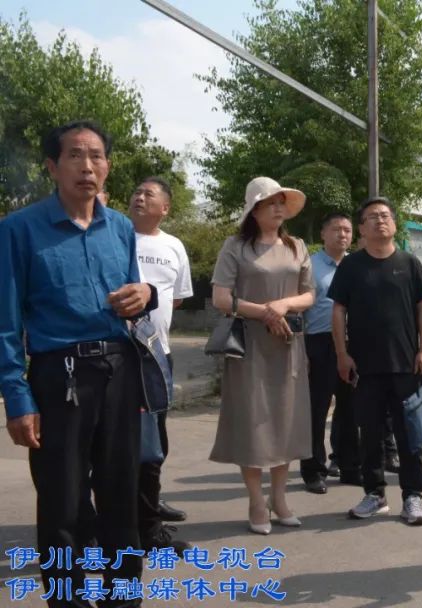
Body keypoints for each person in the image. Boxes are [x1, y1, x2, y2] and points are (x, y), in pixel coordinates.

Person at [1, 120, 158, 607]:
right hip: (57, 376)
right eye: (74, 155)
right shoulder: (18, 230)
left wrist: (145, 294)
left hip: (118, 371)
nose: (87, 166)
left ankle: (122, 598)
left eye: (96, 156)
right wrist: (17, 398)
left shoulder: (122, 228)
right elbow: (5, 324)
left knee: (120, 495)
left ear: (108, 167)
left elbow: (133, 295)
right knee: (63, 503)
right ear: (52, 166)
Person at [209, 176, 314, 535]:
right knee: (253, 426)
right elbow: (222, 299)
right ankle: (256, 500)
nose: (279, 208)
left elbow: (309, 295)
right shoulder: (235, 246)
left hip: (287, 344)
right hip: (249, 345)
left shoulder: (297, 246)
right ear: (253, 209)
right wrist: (266, 312)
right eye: (271, 202)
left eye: (282, 202)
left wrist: (283, 305)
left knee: (286, 421)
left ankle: (280, 498)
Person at [330, 197, 422, 525]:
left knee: (409, 435)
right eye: (371, 217)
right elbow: (338, 310)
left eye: (385, 216)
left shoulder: (409, 263)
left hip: (406, 364)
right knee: (370, 434)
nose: (379, 221)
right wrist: (342, 354)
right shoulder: (351, 266)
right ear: (362, 228)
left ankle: (413, 497)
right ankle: (374, 494)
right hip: (364, 366)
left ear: (394, 224)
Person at [129, 177, 193, 551]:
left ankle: (148, 510)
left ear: (165, 207)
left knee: (155, 440)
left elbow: (177, 298)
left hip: (158, 355)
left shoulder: (174, 246)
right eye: (137, 192)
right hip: (119, 355)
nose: (139, 197)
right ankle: (122, 519)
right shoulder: (116, 235)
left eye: (148, 194)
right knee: (116, 442)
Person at [301, 213, 361, 493]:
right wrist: (301, 352)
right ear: (323, 234)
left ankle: (349, 466)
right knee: (317, 408)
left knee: (350, 409)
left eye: (347, 230)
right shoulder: (309, 266)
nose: (342, 234)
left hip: (353, 344)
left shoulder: (357, 265)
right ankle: (314, 470)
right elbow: (298, 312)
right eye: (336, 229)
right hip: (319, 343)